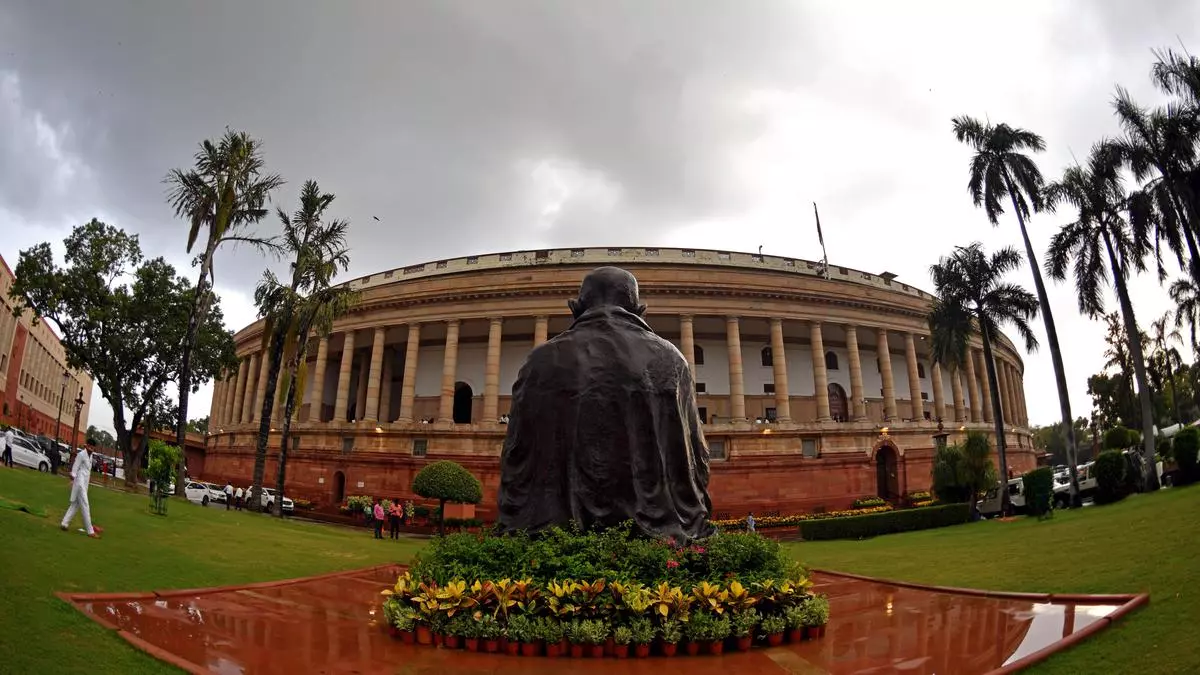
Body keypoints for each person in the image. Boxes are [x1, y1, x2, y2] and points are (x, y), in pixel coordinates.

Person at [496, 266, 715, 541]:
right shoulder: (671, 358)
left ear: (575, 307)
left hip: (552, 539)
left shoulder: (539, 361)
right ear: (639, 308)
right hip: (655, 537)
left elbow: (515, 452)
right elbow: (696, 455)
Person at [61, 440, 99, 538]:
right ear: (87, 446)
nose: (91, 448)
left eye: (93, 447)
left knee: (75, 504)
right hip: (79, 483)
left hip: (85, 484)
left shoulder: (91, 456)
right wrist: (72, 479)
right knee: (85, 505)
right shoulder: (81, 455)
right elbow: (74, 470)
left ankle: (64, 523)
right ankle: (90, 531)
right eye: (90, 446)